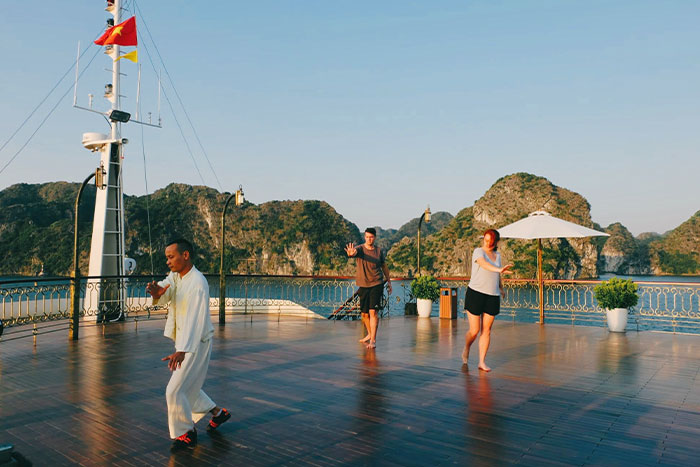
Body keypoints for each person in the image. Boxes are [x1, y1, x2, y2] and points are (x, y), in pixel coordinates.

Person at [146, 239, 231, 451]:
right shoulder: (176, 277)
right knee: (188, 387)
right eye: (166, 257)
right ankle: (219, 414)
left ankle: (186, 432)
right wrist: (158, 294)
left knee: (174, 390)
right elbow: (167, 290)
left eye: (171, 256)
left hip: (196, 343)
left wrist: (182, 351)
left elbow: (196, 319)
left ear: (185, 255)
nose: (168, 261)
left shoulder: (198, 283)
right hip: (185, 342)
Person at [462, 229, 512, 371]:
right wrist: (499, 270)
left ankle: (481, 362)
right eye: (486, 240)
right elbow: (484, 264)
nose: (488, 243)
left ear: (496, 242)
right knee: (474, 330)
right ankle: (466, 347)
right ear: (483, 239)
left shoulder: (498, 255)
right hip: (475, 293)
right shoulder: (479, 252)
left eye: (491, 241)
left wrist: (501, 287)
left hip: (492, 295)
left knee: (487, 330)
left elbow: (497, 275)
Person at [344, 228, 392, 349]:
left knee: (373, 312)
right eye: (366, 237)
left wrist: (389, 281)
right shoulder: (360, 249)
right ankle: (369, 334)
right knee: (364, 314)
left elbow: (384, 266)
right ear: (364, 237)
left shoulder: (379, 251)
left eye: (371, 237)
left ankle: (373, 340)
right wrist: (350, 253)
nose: (368, 239)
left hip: (377, 284)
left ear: (374, 237)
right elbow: (353, 253)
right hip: (363, 285)